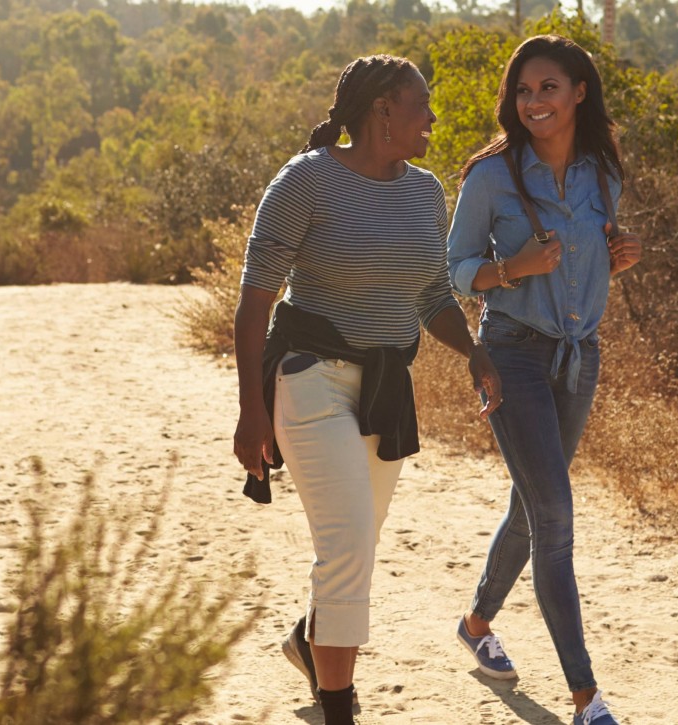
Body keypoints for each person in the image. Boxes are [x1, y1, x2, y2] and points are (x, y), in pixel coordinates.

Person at [231, 54, 502, 725]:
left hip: (385, 389)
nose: (433, 116)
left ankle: (308, 639)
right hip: (309, 378)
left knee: (356, 544)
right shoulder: (306, 181)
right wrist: (250, 410)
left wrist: (473, 350)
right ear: (384, 108)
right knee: (349, 542)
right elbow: (254, 301)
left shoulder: (424, 191)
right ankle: (339, 709)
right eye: (422, 104)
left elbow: (432, 294)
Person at [444, 35, 644, 725]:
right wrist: (512, 270)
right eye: (524, 91)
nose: (535, 102)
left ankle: (475, 621)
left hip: (579, 356)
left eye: (549, 88)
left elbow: (597, 250)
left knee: (534, 506)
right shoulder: (492, 176)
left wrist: (619, 256)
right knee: (555, 516)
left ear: (579, 91)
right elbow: (455, 267)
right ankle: (587, 697)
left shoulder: (601, 170)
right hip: (512, 355)